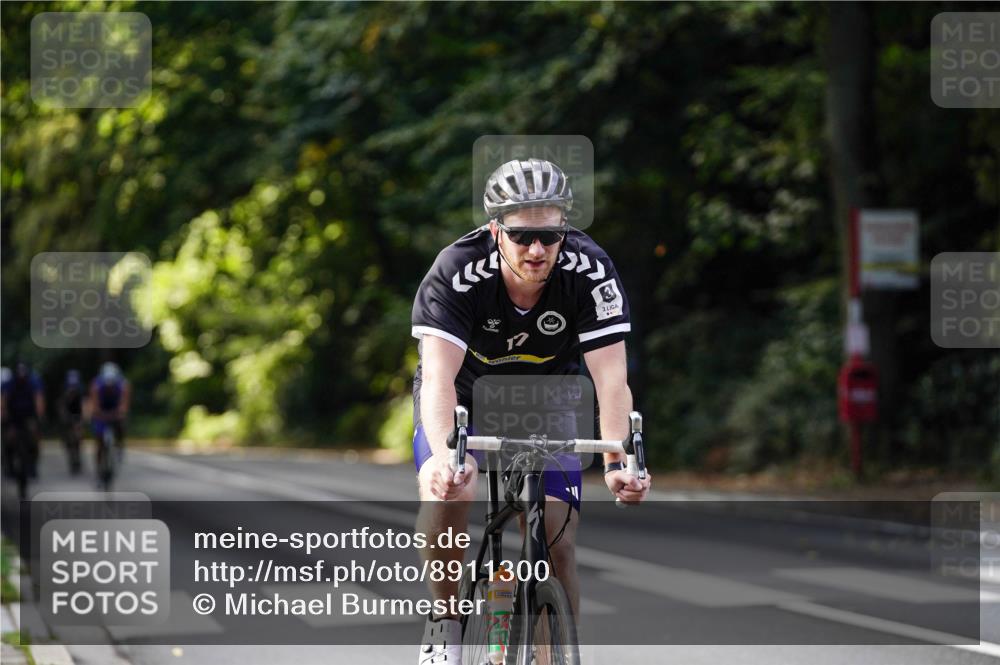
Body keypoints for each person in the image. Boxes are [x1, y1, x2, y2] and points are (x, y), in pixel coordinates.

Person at [410, 158, 652, 664]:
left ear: (565, 228)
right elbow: (437, 379)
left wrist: (618, 465)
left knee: (558, 543)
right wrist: (442, 458)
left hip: (549, 399)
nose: (537, 250)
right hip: (465, 396)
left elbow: (611, 381)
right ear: (496, 230)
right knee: (454, 487)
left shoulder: (589, 270)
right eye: (522, 236)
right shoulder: (456, 270)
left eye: (550, 235)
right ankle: (446, 618)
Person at [1, 361, 46, 479]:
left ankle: (33, 466)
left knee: (34, 440)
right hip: (13, 417)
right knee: (8, 441)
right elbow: (3, 402)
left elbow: (39, 401)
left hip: (29, 416)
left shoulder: (33, 382)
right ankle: (9, 467)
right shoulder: (9, 384)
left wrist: (38, 419)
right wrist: (5, 418)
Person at [89, 362, 131, 462]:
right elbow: (94, 404)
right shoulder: (96, 384)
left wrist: (121, 412)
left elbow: (124, 404)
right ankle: (99, 457)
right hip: (102, 409)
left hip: (115, 408)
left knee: (121, 424)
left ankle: (119, 446)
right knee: (98, 435)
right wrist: (97, 413)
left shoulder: (123, 384)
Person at [59, 370, 86, 474]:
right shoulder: (64, 392)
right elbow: (61, 407)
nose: (72, 388)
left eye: (74, 385)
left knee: (78, 436)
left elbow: (84, 406)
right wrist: (64, 417)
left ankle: (78, 453)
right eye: (71, 385)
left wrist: (82, 420)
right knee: (67, 437)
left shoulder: (81, 391)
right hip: (68, 416)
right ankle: (69, 451)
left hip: (78, 415)